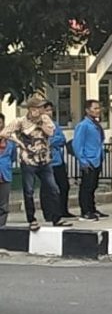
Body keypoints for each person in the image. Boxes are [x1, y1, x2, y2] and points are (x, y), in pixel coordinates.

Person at [1, 96, 68, 229]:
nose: (43, 110)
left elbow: (50, 132)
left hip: (44, 159)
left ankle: (56, 217)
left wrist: (40, 123)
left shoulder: (45, 119)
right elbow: (4, 133)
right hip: (28, 160)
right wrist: (19, 142)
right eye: (40, 107)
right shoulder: (20, 121)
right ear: (32, 109)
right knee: (29, 191)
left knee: (53, 188)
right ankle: (31, 219)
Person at [73, 100, 106, 221]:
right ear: (87, 110)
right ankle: (85, 211)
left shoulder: (95, 124)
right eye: (95, 108)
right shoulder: (83, 125)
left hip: (97, 158)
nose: (98, 111)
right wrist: (83, 160)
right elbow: (77, 144)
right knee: (86, 186)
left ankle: (92, 208)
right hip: (89, 159)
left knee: (93, 185)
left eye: (98, 108)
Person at [43, 102, 73, 220]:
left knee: (64, 185)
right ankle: (49, 213)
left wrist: (52, 140)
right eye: (46, 110)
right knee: (48, 189)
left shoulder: (55, 125)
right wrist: (52, 141)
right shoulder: (39, 126)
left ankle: (63, 210)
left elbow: (62, 139)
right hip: (46, 162)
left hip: (58, 160)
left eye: (50, 110)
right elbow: (45, 141)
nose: (49, 113)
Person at [0, 114, 13, 227]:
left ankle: (1, 227)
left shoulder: (10, 140)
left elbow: (12, 156)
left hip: (5, 175)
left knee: (4, 204)